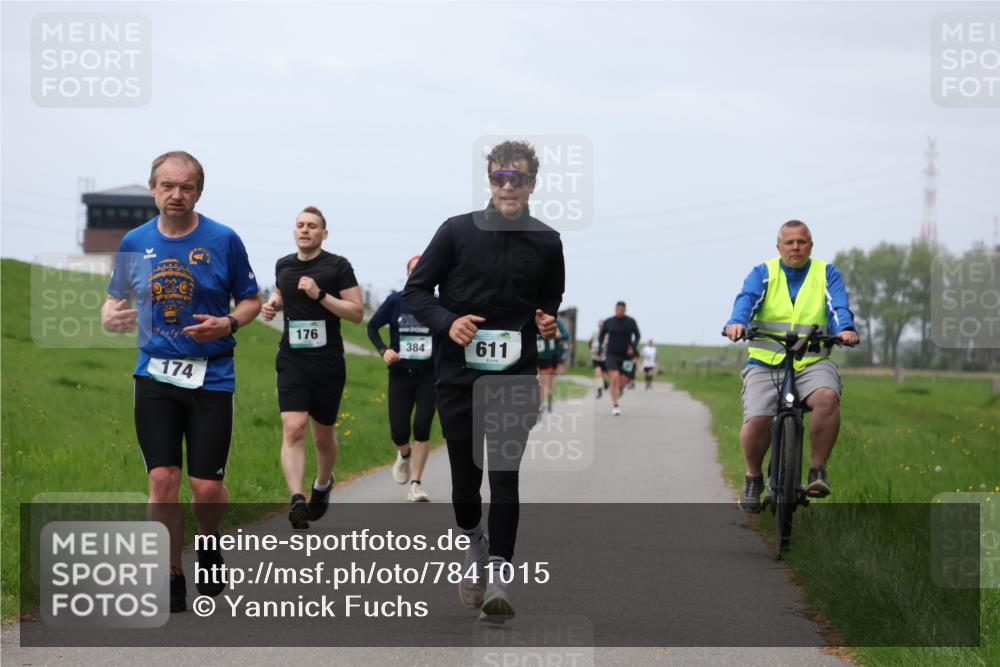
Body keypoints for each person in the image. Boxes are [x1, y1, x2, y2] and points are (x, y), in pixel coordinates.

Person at [403, 140, 564, 623]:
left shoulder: (547, 241)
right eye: (499, 177)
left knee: (505, 477)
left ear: (533, 183)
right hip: (458, 376)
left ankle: (498, 576)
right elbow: (416, 291)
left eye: (517, 178)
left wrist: (547, 321)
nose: (508, 186)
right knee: (466, 484)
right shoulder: (456, 231)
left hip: (514, 375)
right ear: (490, 182)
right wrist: (448, 321)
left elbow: (550, 299)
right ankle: (474, 545)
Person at [101, 151, 261, 613]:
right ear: (153, 188)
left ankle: (209, 544)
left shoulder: (223, 239)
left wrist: (228, 324)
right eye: (168, 186)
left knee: (206, 488)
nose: (176, 194)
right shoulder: (134, 241)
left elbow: (250, 301)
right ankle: (170, 574)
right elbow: (113, 303)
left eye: (186, 187)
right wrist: (111, 318)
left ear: (198, 191)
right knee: (163, 479)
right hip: (154, 375)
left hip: (212, 377)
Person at [723, 220, 859, 512]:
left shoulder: (826, 273)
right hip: (766, 362)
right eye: (789, 242)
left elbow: (838, 306)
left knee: (827, 398)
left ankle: (817, 471)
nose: (796, 247)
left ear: (810, 244)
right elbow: (746, 299)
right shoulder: (763, 273)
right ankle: (753, 477)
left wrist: (845, 328)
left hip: (812, 361)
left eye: (802, 241)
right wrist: (737, 322)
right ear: (779, 247)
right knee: (758, 419)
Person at [261, 206, 363, 529]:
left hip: (327, 363)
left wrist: (320, 296)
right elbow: (280, 293)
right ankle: (296, 499)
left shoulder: (338, 266)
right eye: (300, 225)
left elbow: (356, 312)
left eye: (312, 226)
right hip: (292, 358)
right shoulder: (284, 265)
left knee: (323, 437)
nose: (305, 230)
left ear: (324, 233)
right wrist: (272, 305)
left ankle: (322, 484)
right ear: (295, 231)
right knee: (293, 427)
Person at [366, 255, 436, 502]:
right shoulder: (396, 301)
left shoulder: (438, 303)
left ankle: (416, 484)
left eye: (424, 268)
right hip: (400, 375)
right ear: (408, 274)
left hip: (429, 375)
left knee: (422, 427)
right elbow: (372, 327)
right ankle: (404, 454)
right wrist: (384, 350)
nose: (419, 272)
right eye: (414, 269)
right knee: (399, 432)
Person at [599, 301, 640, 415]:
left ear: (625, 310)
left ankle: (620, 389)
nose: (620, 312)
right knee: (615, 377)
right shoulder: (609, 322)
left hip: (627, 356)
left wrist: (633, 346)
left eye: (622, 310)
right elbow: (602, 335)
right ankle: (615, 405)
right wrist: (601, 347)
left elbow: (637, 335)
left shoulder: (631, 322)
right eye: (618, 309)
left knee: (624, 380)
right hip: (612, 354)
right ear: (615, 309)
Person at [537, 317, 570, 415]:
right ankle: (541, 405)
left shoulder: (554, 321)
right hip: (533, 355)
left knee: (547, 381)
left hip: (548, 356)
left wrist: (556, 335)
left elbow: (565, 335)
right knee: (539, 383)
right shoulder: (529, 319)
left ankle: (547, 401)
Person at [589, 320, 608, 398]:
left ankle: (606, 382)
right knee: (597, 373)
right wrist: (592, 349)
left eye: (602, 325)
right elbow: (590, 343)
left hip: (604, 357)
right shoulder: (594, 334)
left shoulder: (607, 335)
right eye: (599, 325)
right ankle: (599, 391)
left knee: (604, 374)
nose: (601, 327)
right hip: (595, 357)